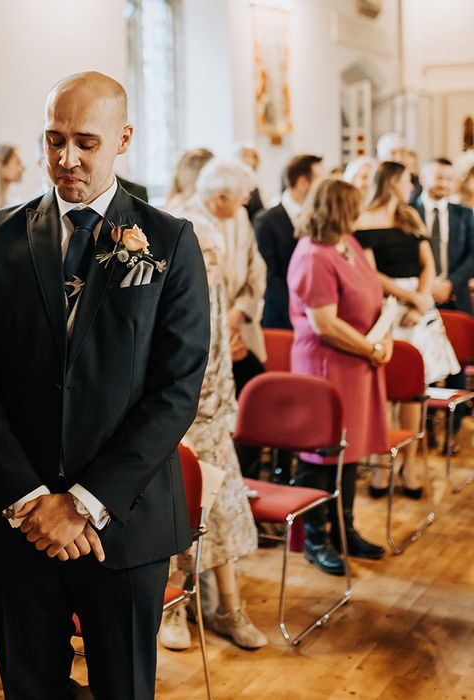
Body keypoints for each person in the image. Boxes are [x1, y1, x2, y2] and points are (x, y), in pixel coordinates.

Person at [0, 71, 210, 699]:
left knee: (123, 687)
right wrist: (33, 500)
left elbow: (175, 390)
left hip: (123, 520)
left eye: (85, 143)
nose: (66, 159)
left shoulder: (169, 240)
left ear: (122, 139)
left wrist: (83, 502)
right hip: (19, 519)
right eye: (54, 139)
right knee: (29, 687)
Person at [160, 196, 268, 652]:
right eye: (202, 253)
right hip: (167, 426)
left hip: (209, 420)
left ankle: (228, 607)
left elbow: (221, 362)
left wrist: (223, 425)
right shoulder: (161, 291)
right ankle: (174, 606)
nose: (210, 262)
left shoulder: (216, 287)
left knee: (219, 501)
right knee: (176, 509)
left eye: (214, 254)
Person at [287, 178, 390, 575]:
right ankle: (317, 538)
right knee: (322, 453)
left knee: (350, 450)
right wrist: (369, 347)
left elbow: (375, 297)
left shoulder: (349, 244)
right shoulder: (314, 254)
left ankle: (345, 528)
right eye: (355, 206)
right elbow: (324, 323)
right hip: (327, 366)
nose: (362, 212)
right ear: (338, 210)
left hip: (357, 363)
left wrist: (385, 340)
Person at [355, 161, 459, 498]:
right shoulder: (364, 218)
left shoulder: (410, 217)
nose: (411, 186)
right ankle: (383, 467)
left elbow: (429, 264)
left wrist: (421, 301)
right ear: (391, 182)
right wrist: (406, 299)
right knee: (385, 393)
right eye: (406, 181)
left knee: (415, 393)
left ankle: (410, 466)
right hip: (385, 309)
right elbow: (372, 273)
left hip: (417, 308)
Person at [179, 158, 267, 477]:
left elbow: (256, 270)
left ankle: (248, 476)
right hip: (205, 336)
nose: (246, 201)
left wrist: (237, 312)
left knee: (256, 399)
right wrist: (217, 330)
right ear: (219, 197)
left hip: (238, 328)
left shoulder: (240, 217)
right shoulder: (182, 219)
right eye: (241, 195)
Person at [255, 154, 324, 330]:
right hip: (282, 318)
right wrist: (299, 312)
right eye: (321, 181)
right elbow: (269, 276)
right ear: (303, 182)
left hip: (316, 316)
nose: (325, 187)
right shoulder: (266, 220)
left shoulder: (320, 219)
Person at [411, 158, 474, 315]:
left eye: (449, 179)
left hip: (456, 297)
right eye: (439, 177)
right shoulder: (408, 212)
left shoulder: (464, 214)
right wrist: (428, 285)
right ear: (422, 178)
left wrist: (449, 284)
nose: (444, 184)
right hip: (418, 296)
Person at [234, 142, 265, 221]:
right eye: (248, 156)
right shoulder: (237, 179)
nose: (253, 159)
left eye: (254, 156)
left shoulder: (254, 183)